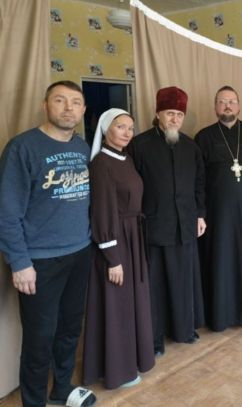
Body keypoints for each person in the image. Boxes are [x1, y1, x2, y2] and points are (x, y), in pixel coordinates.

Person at [0, 81, 97, 407]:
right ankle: (34, 402)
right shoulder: (22, 148)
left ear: (83, 110)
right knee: (40, 338)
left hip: (79, 252)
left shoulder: (83, 148)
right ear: (45, 105)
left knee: (69, 329)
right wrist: (19, 262)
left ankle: (62, 389)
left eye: (75, 102)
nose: (68, 108)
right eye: (60, 100)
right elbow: (6, 212)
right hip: (39, 260)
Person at [128, 86, 206, 357]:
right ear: (158, 113)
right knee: (155, 285)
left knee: (184, 280)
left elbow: (199, 184)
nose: (174, 119)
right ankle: (154, 338)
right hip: (154, 227)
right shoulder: (139, 145)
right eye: (170, 113)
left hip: (185, 224)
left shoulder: (191, 146)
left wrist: (200, 214)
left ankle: (184, 328)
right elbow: (131, 188)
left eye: (179, 114)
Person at [82, 109, 155, 389]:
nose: (127, 133)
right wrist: (113, 258)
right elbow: (101, 212)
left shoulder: (126, 158)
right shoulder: (101, 164)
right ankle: (117, 370)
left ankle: (133, 360)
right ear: (105, 129)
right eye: (120, 127)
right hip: (116, 241)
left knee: (132, 302)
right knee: (117, 305)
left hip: (132, 237)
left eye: (130, 128)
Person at [195, 86, 242, 332]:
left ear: (239, 105)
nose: (228, 106)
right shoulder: (203, 137)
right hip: (217, 216)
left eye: (232, 101)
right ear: (215, 106)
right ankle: (220, 315)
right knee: (220, 262)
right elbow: (197, 180)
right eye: (222, 101)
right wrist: (200, 213)